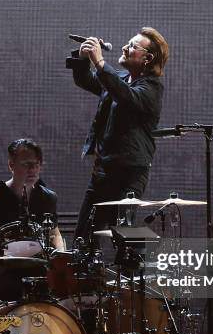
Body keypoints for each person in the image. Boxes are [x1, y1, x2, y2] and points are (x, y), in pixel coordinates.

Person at [68, 27, 169, 239]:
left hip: (129, 175)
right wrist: (83, 57)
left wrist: (100, 63)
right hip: (103, 172)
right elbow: (86, 80)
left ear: (147, 58)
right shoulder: (120, 80)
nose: (124, 47)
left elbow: (125, 96)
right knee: (83, 238)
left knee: (124, 237)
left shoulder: (152, 88)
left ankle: (134, 268)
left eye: (132, 46)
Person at [0, 138, 64, 250]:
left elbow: (55, 234)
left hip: (37, 264)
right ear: (11, 165)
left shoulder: (48, 197)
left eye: (36, 164)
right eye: (26, 164)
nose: (32, 169)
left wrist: (60, 255)